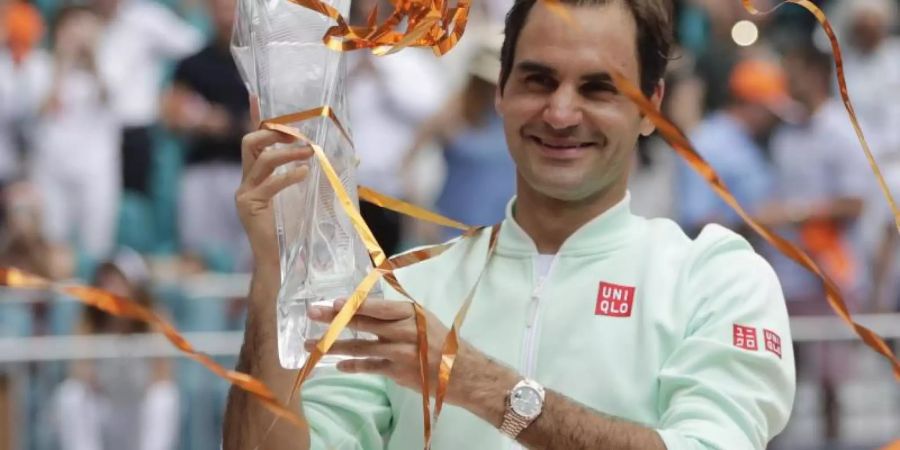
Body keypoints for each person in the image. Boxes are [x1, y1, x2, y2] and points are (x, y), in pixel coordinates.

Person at [224, 0, 795, 449]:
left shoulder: (716, 279)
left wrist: (477, 382)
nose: (561, 113)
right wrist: (275, 265)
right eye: (538, 81)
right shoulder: (403, 291)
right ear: (500, 93)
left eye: (598, 88)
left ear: (651, 106)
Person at [759, 43, 871, 442]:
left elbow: (855, 202)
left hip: (829, 276)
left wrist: (791, 213)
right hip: (788, 272)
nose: (787, 80)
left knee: (830, 383)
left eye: (794, 71)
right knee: (778, 376)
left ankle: (834, 445)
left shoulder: (841, 132)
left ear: (816, 75)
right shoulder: (785, 132)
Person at [402, 27, 516, 240]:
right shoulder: (454, 112)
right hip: (449, 231)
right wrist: (419, 213)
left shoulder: (517, 115)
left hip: (503, 234)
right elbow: (407, 162)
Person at [161, 0, 250, 269]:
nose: (225, 15)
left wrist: (220, 122)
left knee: (247, 257)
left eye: (231, 7)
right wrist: (210, 121)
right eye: (220, 7)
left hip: (245, 168)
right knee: (197, 255)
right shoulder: (193, 63)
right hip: (201, 169)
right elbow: (171, 115)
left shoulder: (260, 64)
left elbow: (266, 121)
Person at [29, 5, 120, 259]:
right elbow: (43, 109)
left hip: (97, 169)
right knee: (52, 242)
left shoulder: (111, 62)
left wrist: (93, 59)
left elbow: (111, 97)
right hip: (51, 167)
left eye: (84, 26)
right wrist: (63, 63)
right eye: (71, 26)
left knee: (97, 243)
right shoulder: (40, 65)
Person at [676, 55, 793, 237]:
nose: (773, 120)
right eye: (769, 111)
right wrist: (755, 223)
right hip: (722, 259)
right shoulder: (707, 143)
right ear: (752, 104)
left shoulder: (751, 142)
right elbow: (698, 219)